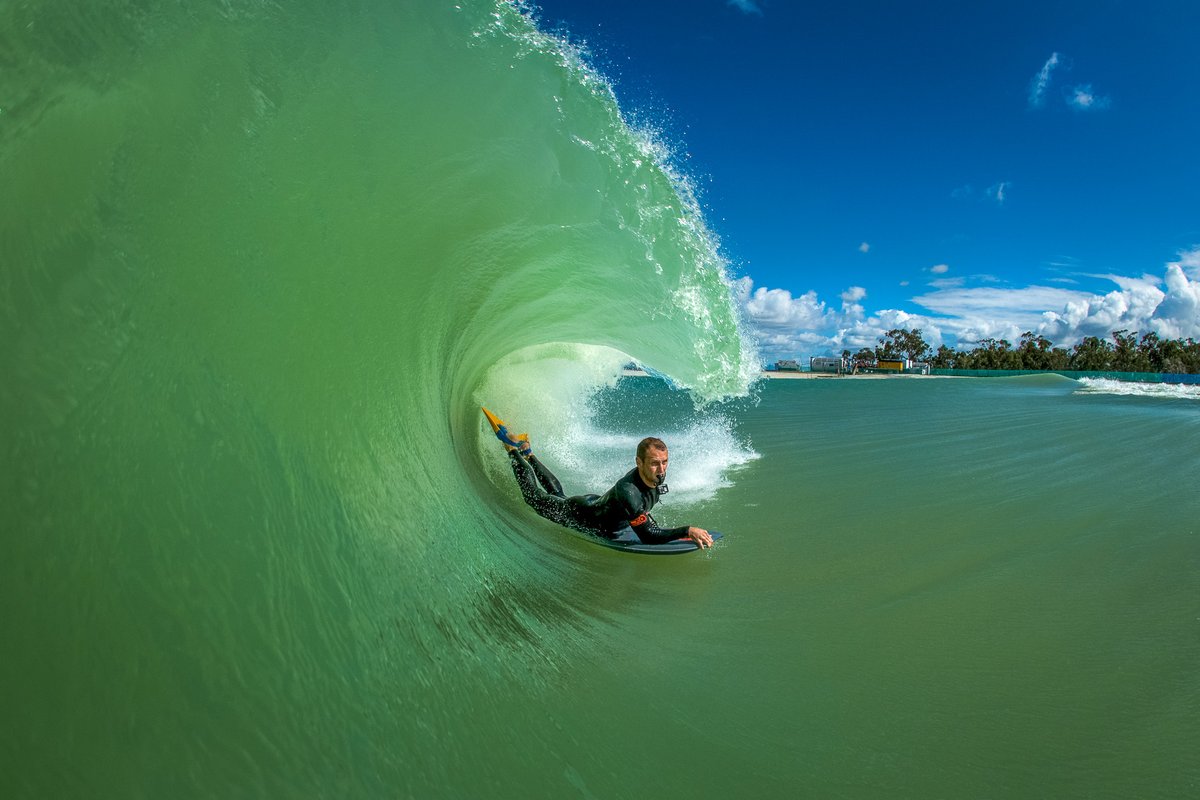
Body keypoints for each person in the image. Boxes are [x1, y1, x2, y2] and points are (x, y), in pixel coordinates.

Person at [501, 428, 713, 548]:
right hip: (579, 515)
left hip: (597, 504)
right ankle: (512, 450)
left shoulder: (654, 477)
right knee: (535, 498)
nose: (661, 469)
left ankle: (528, 452)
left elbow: (643, 511)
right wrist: (686, 530)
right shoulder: (628, 492)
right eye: (654, 463)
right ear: (639, 462)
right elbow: (648, 536)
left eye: (665, 461)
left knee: (558, 495)